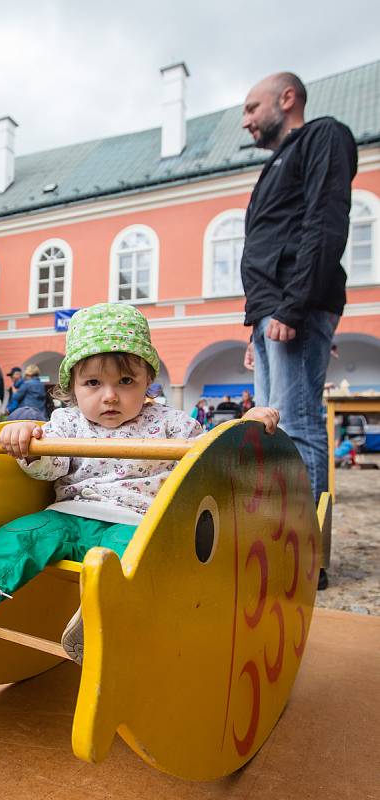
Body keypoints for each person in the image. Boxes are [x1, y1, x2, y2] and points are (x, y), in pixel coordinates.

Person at [0, 303, 279, 666]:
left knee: (131, 559)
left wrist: (243, 428)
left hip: (136, 522)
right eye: (93, 384)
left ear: (148, 381)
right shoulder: (66, 422)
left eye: (125, 382)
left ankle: (106, 618)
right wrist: (28, 447)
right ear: (72, 387)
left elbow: (209, 457)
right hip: (69, 515)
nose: (110, 397)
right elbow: (51, 467)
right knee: (21, 534)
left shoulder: (173, 423)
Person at [241, 72, 358, 591]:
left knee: (299, 425)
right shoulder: (274, 163)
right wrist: (256, 325)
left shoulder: (323, 136)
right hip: (273, 308)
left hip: (293, 304)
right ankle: (278, 542)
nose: (246, 120)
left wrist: (295, 305)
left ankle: (306, 554)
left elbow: (324, 220)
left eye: (251, 108)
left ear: (286, 100)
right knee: (270, 428)